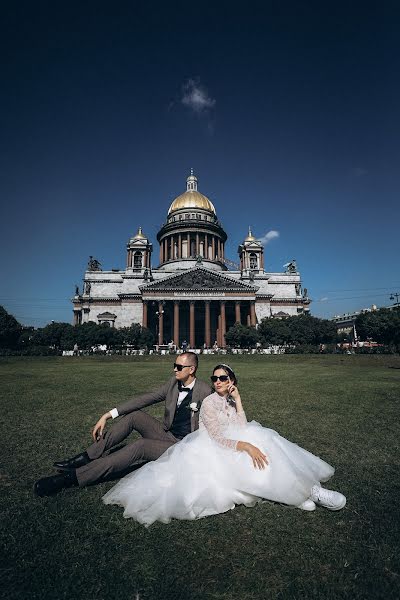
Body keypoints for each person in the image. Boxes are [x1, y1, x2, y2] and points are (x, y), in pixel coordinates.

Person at [102, 364, 346, 526]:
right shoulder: (208, 403)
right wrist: (246, 446)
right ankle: (302, 493)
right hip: (213, 448)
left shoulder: (230, 401)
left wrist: (238, 400)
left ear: (231, 382)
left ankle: (305, 490)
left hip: (233, 441)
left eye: (223, 378)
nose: (217, 381)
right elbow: (218, 437)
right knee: (256, 457)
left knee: (268, 441)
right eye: (215, 378)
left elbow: (241, 424)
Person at [34, 352, 211, 497]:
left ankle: (71, 478)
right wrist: (108, 415)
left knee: (140, 446)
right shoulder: (173, 384)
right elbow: (145, 399)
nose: (174, 369)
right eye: (174, 365)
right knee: (134, 415)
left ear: (192, 369)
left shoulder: (205, 391)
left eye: (179, 367)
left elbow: (218, 423)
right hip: (167, 435)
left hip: (183, 447)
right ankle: (86, 457)